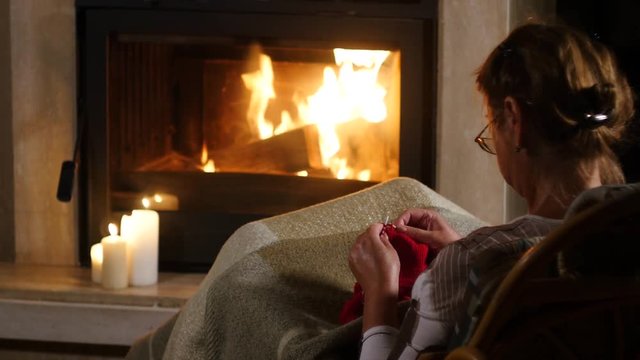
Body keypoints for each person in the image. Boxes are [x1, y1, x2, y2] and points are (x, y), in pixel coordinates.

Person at [348, 22, 635, 359]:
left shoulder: (469, 261)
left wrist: (380, 292)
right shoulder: (623, 237)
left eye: (491, 125)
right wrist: (474, 258)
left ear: (513, 120)